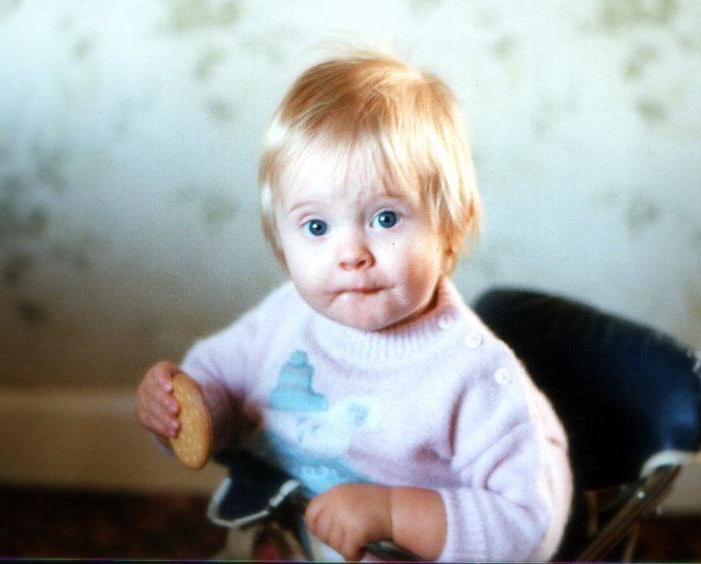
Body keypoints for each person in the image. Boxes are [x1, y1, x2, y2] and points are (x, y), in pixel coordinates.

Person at [135, 50, 572, 562]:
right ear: (281, 243)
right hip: (286, 542)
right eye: (316, 226)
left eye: (385, 218)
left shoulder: (473, 377)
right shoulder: (286, 316)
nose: (350, 254)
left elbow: (528, 526)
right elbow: (219, 385)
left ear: (451, 227)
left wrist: (394, 514)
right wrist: (179, 410)